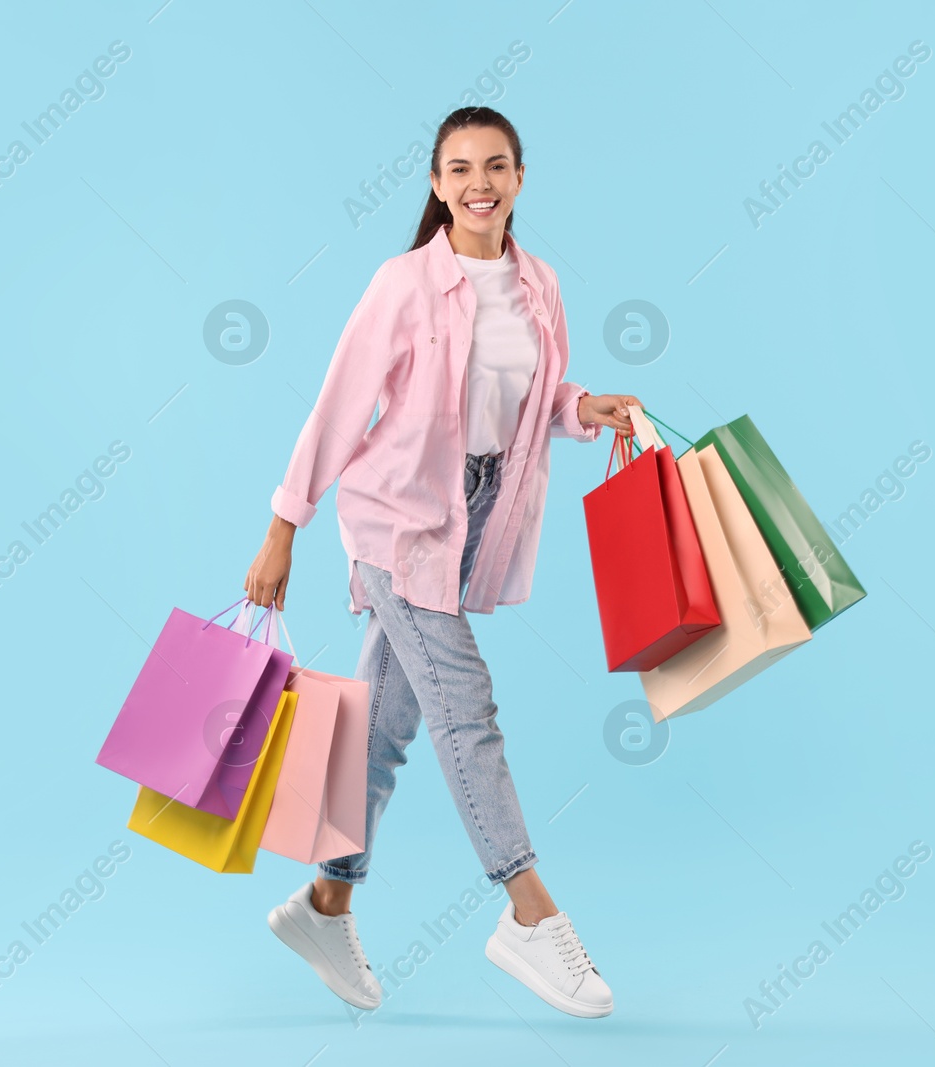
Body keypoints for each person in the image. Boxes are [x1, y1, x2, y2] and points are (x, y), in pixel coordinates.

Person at [247, 105, 640, 1020]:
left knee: (379, 734)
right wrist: (284, 523)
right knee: (468, 708)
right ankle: (529, 914)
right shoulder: (404, 284)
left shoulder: (538, 283)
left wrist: (587, 409)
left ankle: (324, 907)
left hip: (474, 519)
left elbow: (534, 396)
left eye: (496, 166)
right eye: (460, 168)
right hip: (396, 521)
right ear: (435, 183)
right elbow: (339, 403)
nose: (479, 183)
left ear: (520, 178)